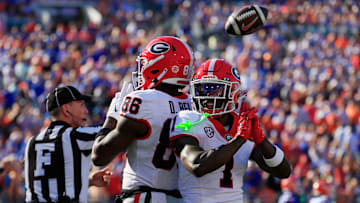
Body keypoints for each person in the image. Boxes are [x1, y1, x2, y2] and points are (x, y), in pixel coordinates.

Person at [170, 58, 292, 202]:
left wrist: (262, 140)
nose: (206, 96)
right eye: (201, 88)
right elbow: (197, 165)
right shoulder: (188, 119)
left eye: (213, 89)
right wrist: (239, 139)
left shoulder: (241, 124)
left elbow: (283, 171)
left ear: (232, 92)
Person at [92, 36, 195, 202]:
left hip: (143, 197)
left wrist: (112, 118)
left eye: (146, 63)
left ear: (159, 65)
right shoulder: (193, 104)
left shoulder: (142, 101)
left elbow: (99, 156)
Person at [24, 85, 111, 203]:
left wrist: (87, 181)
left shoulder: (32, 141)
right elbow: (114, 132)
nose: (86, 111)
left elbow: (49, 185)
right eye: (81, 105)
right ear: (66, 110)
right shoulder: (74, 136)